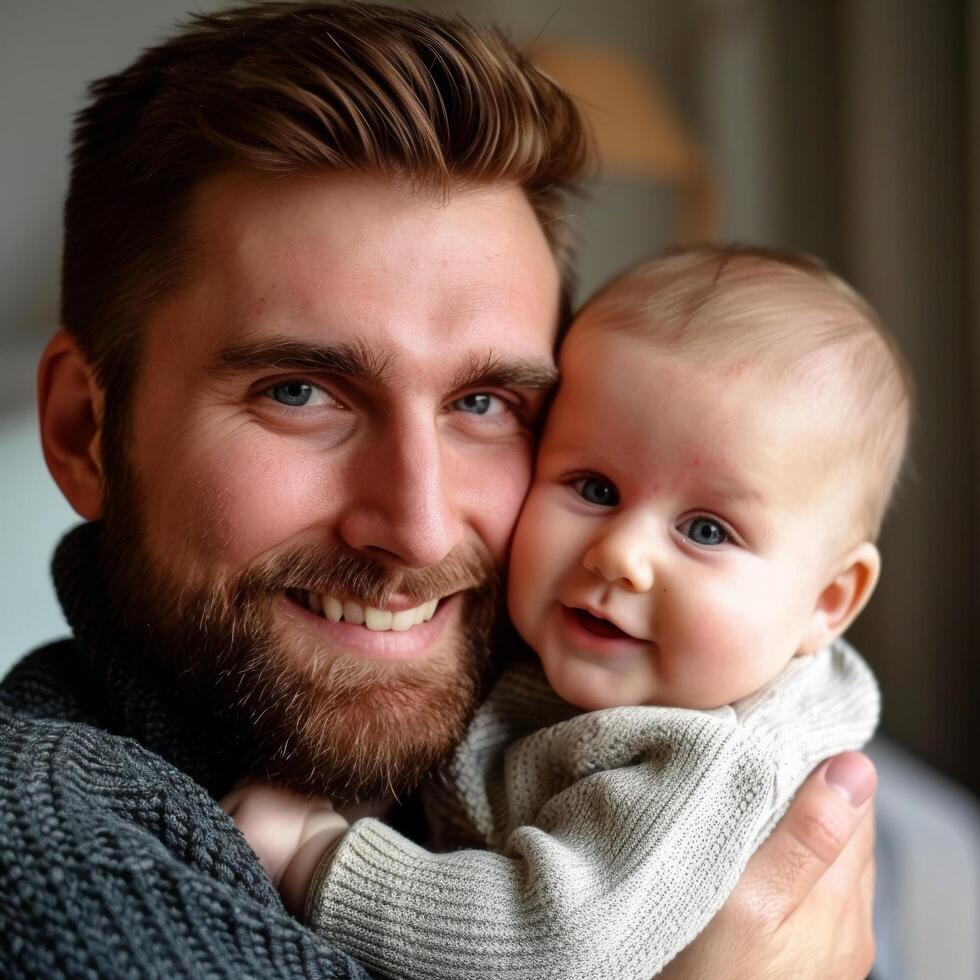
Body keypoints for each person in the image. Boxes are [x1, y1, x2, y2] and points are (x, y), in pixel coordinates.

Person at [0, 3, 877, 977]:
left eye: (484, 402)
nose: (415, 528)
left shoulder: (598, 716)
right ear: (83, 429)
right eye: (299, 391)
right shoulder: (54, 852)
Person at [226, 245, 908, 978]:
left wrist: (317, 858)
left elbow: (552, 940)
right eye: (594, 488)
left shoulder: (703, 760)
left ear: (827, 601)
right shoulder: (570, 655)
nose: (621, 555)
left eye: (707, 531)